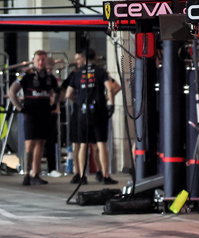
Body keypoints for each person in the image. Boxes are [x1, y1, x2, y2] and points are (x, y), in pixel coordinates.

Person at [64, 50, 120, 186]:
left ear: (83, 58)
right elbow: (110, 88)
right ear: (95, 57)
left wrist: (79, 101)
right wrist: (110, 104)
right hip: (98, 111)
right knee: (101, 144)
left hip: (82, 112)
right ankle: (105, 175)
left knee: (83, 144)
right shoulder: (101, 72)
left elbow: (68, 94)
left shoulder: (77, 73)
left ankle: (82, 176)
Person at [8, 50, 60, 186]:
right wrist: (20, 107)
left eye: (43, 60)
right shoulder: (27, 75)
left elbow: (58, 91)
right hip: (30, 113)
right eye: (38, 60)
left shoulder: (49, 77)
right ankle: (27, 173)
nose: (41, 62)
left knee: (41, 143)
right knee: (30, 143)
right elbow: (12, 91)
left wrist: (54, 104)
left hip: (44, 113)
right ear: (34, 61)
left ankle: (36, 173)